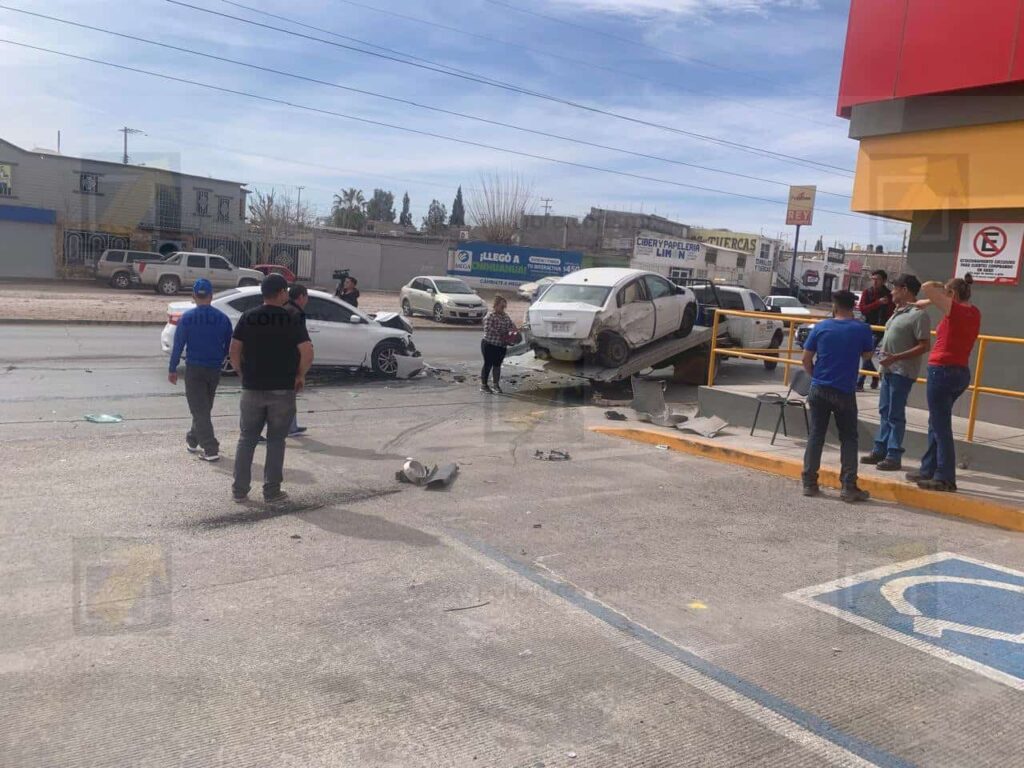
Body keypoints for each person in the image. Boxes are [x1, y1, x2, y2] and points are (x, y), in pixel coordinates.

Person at [229, 273, 314, 503]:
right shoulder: (291, 318)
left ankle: (239, 490)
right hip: (282, 390)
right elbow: (307, 351)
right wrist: (300, 375)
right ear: (281, 293)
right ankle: (272, 491)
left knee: (247, 439)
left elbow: (234, 349)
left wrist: (240, 372)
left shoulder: (248, 316)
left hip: (252, 389)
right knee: (276, 441)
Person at [906, 274, 981, 492]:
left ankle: (945, 477)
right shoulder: (974, 312)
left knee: (941, 427)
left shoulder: (955, 311)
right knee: (936, 422)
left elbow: (927, 286)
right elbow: (937, 297)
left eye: (947, 293)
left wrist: (941, 289)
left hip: (942, 372)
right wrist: (935, 299)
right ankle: (928, 468)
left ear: (952, 294)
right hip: (960, 372)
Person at [801, 290, 876, 502]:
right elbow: (867, 355)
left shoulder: (821, 327)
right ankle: (848, 486)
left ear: (834, 306)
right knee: (849, 438)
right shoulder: (862, 329)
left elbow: (806, 359)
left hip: (819, 388)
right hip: (844, 391)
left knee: (816, 435)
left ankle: (809, 483)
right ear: (853, 307)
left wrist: (816, 377)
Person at [861, 274, 931, 472]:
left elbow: (924, 346)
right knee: (885, 410)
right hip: (888, 369)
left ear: (905, 289)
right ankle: (880, 449)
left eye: (895, 288)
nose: (892, 292)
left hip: (902, 371)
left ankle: (893, 455)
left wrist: (896, 357)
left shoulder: (918, 315)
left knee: (895, 413)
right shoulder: (897, 312)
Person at [167, 278, 233, 462]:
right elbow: (230, 346)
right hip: (214, 369)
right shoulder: (223, 318)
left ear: (194, 296)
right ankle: (193, 439)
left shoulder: (187, 318)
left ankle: (210, 448)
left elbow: (178, 346)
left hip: (194, 369)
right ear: (211, 296)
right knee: (203, 408)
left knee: (199, 409)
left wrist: (172, 368)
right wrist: (222, 358)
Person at [856, 270, 893, 390]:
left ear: (884, 281)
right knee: (863, 353)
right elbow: (863, 309)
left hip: (879, 328)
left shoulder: (889, 295)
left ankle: (859, 383)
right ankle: (875, 376)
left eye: (878, 279)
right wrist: (878, 303)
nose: (875, 282)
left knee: (867, 354)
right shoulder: (867, 292)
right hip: (866, 326)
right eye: (873, 279)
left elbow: (891, 312)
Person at [284, 284, 311, 437]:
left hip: (281, 359)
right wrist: (301, 373)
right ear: (301, 297)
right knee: (286, 397)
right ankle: (288, 427)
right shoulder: (296, 313)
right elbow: (304, 344)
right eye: (306, 297)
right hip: (290, 361)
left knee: (288, 396)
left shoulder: (284, 308)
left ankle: (292, 426)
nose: (307, 300)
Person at [480, 295, 518, 394]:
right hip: (489, 344)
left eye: (504, 307)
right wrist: (504, 334)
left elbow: (512, 325)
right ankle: (484, 385)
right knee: (488, 364)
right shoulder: (490, 316)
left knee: (497, 365)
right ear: (495, 305)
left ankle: (496, 385)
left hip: (501, 346)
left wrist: (513, 332)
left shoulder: (505, 316)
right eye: (502, 306)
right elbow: (488, 329)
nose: (503, 309)